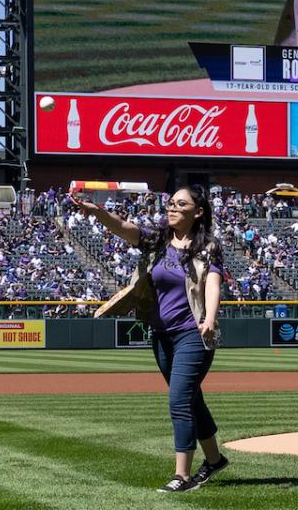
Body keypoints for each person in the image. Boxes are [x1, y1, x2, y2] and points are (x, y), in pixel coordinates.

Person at [83, 185, 229, 493]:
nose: (172, 208)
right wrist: (98, 213)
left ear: (198, 212)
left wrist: (210, 319)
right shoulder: (159, 240)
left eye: (180, 204)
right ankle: (214, 461)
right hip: (162, 335)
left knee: (179, 400)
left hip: (193, 332)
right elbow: (125, 229)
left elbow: (213, 282)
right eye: (171, 203)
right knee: (192, 399)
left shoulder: (208, 246)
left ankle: (183, 476)